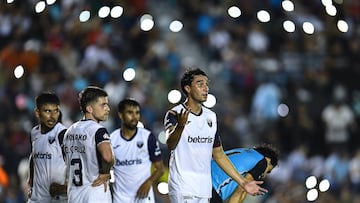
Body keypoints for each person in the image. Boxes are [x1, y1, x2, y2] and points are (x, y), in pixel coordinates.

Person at [163, 68, 267, 203]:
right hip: (183, 186)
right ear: (187, 88)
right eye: (200, 84)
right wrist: (181, 126)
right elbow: (170, 144)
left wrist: (243, 182)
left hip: (204, 188)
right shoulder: (174, 113)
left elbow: (219, 154)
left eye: (207, 84)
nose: (206, 88)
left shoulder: (211, 117)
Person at [62, 86, 114, 203]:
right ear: (89, 108)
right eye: (103, 105)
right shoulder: (98, 130)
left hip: (74, 195)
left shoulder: (69, 131)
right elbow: (107, 157)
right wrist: (106, 172)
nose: (108, 109)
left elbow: (65, 159)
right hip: (96, 193)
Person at [110, 98, 165, 203]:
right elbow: (107, 169)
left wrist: (148, 183)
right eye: (130, 113)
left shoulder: (147, 137)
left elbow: (160, 169)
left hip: (143, 197)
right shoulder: (112, 139)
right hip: (120, 198)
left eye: (137, 113)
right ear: (120, 115)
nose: (135, 117)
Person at [27, 92, 68, 203]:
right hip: (36, 198)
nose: (52, 116)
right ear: (37, 112)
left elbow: (77, 162)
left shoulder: (62, 133)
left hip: (57, 198)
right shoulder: (34, 133)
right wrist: (31, 179)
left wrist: (65, 187)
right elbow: (33, 156)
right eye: (47, 111)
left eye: (56, 111)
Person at [211, 144, 279, 203]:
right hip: (211, 189)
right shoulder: (263, 162)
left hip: (204, 177)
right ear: (269, 160)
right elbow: (241, 190)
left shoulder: (244, 152)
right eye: (268, 171)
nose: (264, 175)